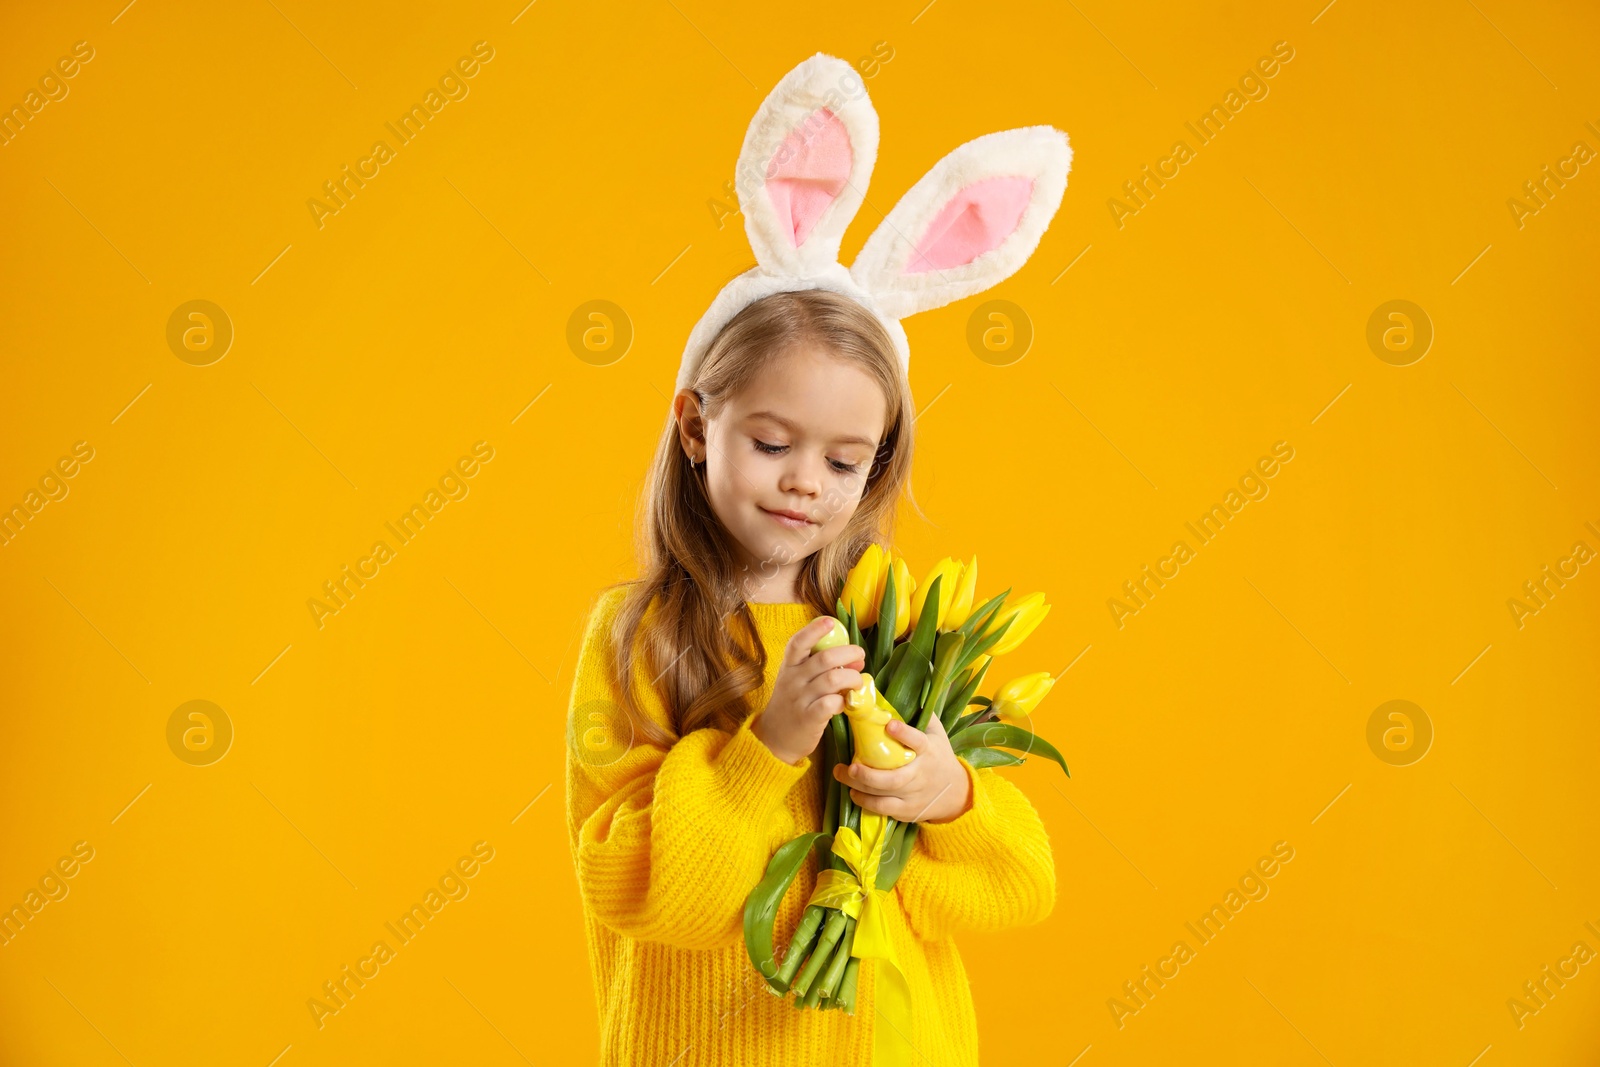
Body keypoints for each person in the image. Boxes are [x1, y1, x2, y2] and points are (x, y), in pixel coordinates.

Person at [564, 50, 1072, 1066]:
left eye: (844, 458)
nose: (807, 481)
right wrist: (769, 745)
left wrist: (949, 797)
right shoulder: (642, 637)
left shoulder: (899, 622)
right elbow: (644, 892)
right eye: (771, 442)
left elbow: (1021, 884)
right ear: (697, 425)